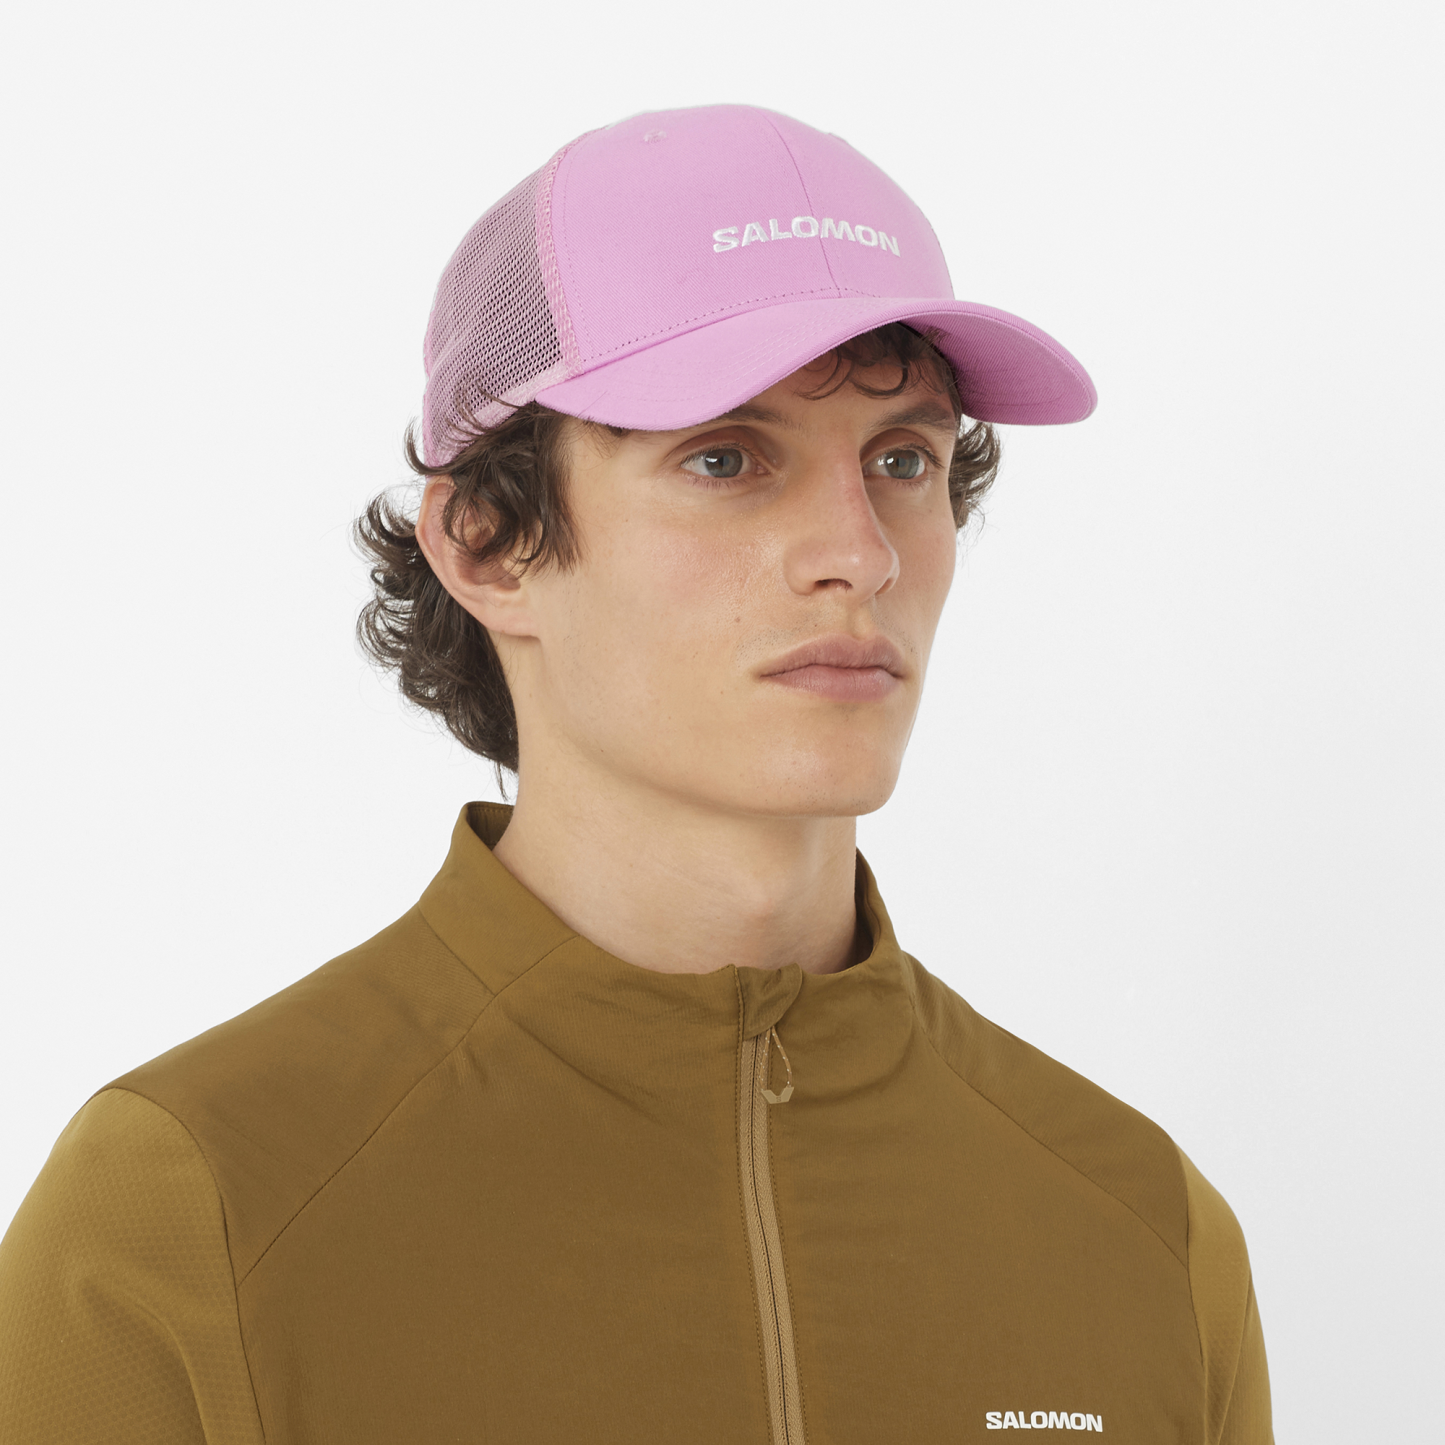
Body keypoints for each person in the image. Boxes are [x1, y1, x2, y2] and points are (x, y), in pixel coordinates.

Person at [0, 104, 1272, 1444]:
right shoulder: (187, 1216)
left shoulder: (1145, 1230)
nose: (861, 553)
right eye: (725, 458)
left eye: (902, 459)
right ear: (488, 543)